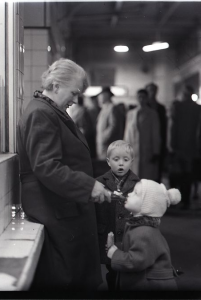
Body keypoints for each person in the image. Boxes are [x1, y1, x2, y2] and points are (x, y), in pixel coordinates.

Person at [16, 58, 111, 291]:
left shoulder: (50, 110)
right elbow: (46, 165)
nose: (75, 99)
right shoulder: (41, 113)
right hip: (56, 210)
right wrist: (88, 186)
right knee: (67, 280)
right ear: (56, 85)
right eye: (74, 91)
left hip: (63, 207)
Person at [106, 179, 181, 291]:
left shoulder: (144, 232)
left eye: (136, 193)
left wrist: (114, 253)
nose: (129, 194)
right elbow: (135, 247)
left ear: (147, 206)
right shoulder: (139, 227)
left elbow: (137, 261)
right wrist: (118, 247)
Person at [95, 140, 140, 291]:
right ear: (108, 161)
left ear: (132, 162)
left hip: (129, 236)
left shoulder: (138, 184)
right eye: (116, 159)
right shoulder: (99, 183)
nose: (121, 164)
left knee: (127, 267)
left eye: (125, 160)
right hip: (108, 233)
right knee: (112, 269)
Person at [169, 85, 201, 209]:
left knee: (176, 174)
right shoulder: (198, 108)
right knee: (187, 175)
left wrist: (171, 144)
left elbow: (173, 126)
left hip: (179, 145)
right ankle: (186, 200)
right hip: (191, 146)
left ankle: (176, 199)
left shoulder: (177, 106)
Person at [124, 89, 161, 180]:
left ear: (147, 98)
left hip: (147, 150)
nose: (141, 99)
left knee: (146, 178)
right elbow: (127, 133)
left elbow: (156, 134)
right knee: (133, 177)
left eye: (143, 97)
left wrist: (156, 151)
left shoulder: (152, 114)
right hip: (133, 150)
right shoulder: (130, 114)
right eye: (139, 97)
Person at [146, 83, 167, 182]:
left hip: (159, 140)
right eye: (150, 90)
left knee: (158, 169)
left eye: (154, 90)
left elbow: (164, 127)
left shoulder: (161, 108)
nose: (152, 92)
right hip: (147, 142)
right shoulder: (144, 108)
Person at [96, 86, 125, 160]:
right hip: (102, 145)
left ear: (107, 95)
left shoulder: (112, 108)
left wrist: (104, 138)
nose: (99, 97)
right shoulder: (104, 108)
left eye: (101, 95)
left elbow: (113, 126)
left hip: (109, 144)